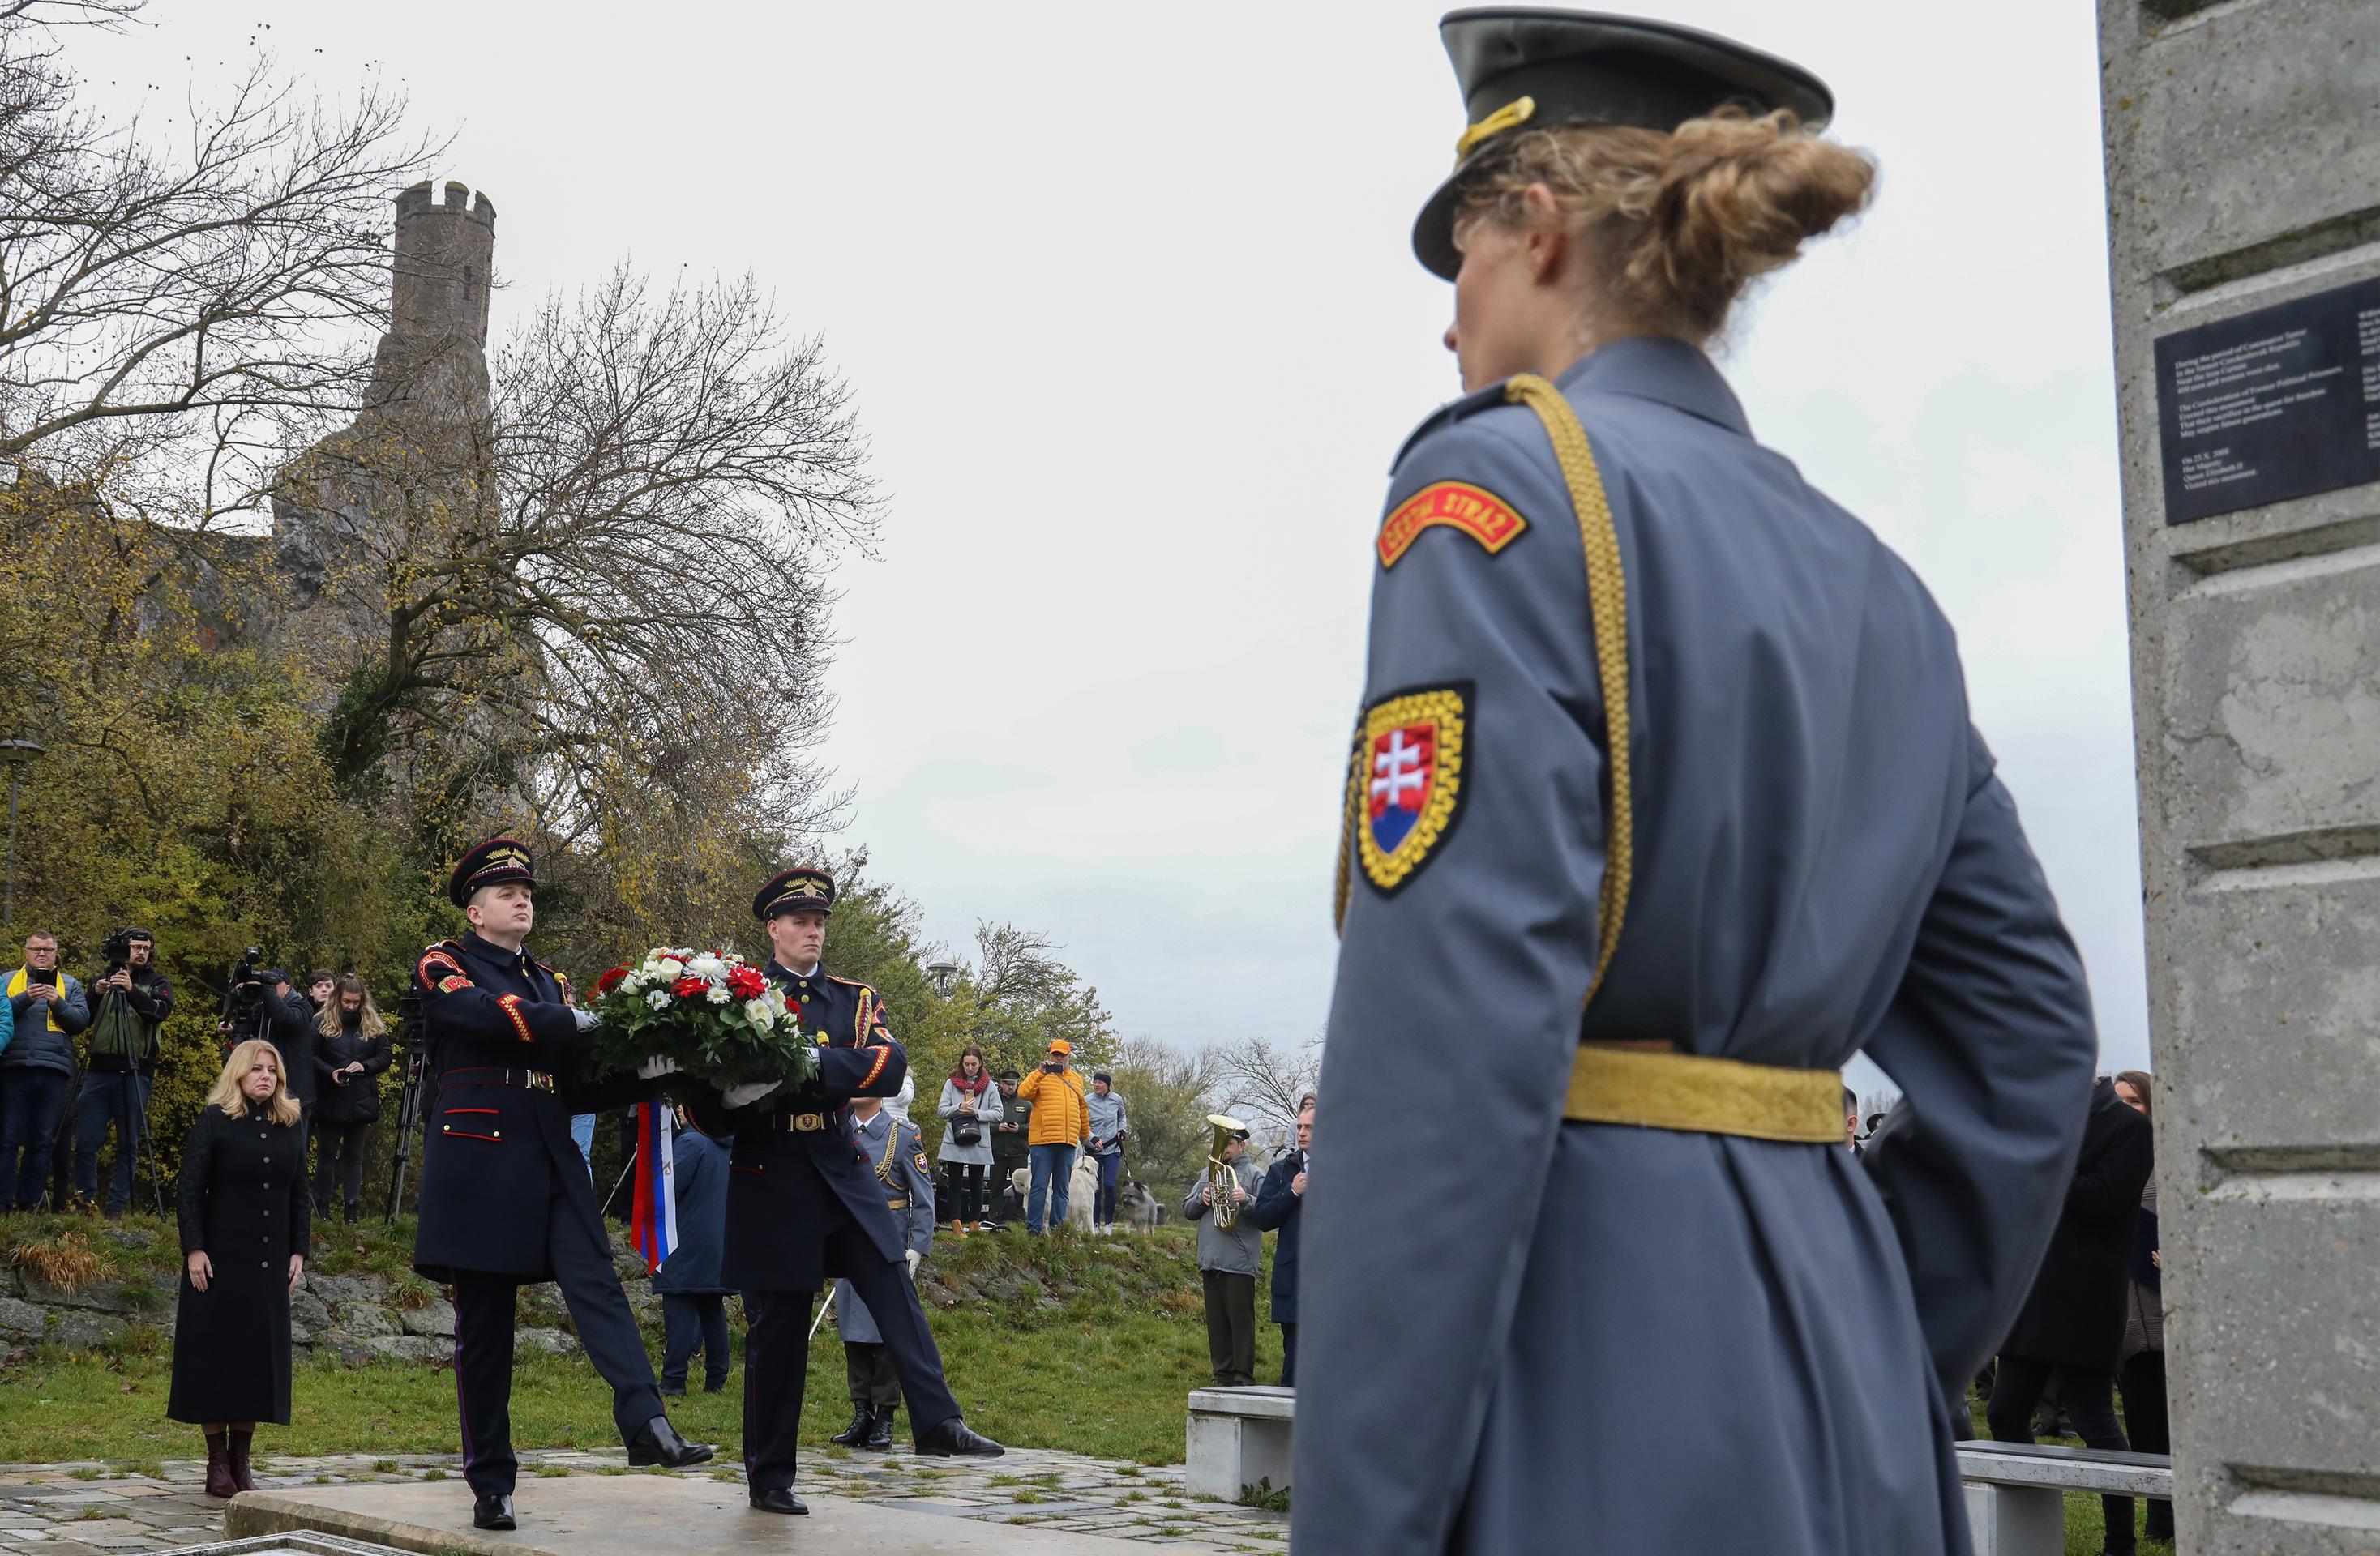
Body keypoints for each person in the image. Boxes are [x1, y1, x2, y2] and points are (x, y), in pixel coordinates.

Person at [1295, 13, 2103, 1554]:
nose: (1445, 320)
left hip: (1582, 1373)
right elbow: (2029, 1048)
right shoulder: (1883, 590)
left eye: (1455, 259)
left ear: (1532, 229)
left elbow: (1449, 1034)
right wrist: (1871, 1328)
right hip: (1846, 1397)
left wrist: (1363, 1516)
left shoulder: (1492, 489)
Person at [410, 836, 711, 1531]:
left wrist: (655, 1067)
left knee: (598, 1284)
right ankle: (491, 1480)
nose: (522, 899)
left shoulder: (550, 980)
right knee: (485, 1328)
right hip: (481, 1157)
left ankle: (646, 1422)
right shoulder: (446, 962)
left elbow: (573, 1084)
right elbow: (471, 1015)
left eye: (527, 891)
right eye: (506, 892)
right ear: (476, 911)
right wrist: (574, 1023)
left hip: (549, 1152)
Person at [694, 866, 1000, 1516]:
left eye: (820, 922)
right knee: (777, 1330)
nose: (812, 932)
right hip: (770, 1168)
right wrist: (741, 1092)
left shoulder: (853, 999)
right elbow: (708, 1105)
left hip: (840, 1162)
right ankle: (770, 1476)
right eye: (799, 921)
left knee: (892, 1278)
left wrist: (800, 1063)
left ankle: (938, 1421)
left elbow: (889, 1066)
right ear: (773, 929)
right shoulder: (734, 996)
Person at [1987, 1075, 2157, 1552]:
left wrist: (2042, 1162)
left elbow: (2102, 1201)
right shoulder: (2040, 1124)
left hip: (2086, 1296)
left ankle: (2120, 1541)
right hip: (2033, 1289)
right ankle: (2026, 1530)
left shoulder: (2131, 1129)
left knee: (2094, 1418)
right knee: (2005, 1413)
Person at [168, 1039, 310, 1498]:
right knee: (215, 1359)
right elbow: (189, 1190)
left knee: (254, 1360)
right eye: (257, 1070)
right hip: (217, 1261)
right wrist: (194, 1249)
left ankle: (242, 1459)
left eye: (273, 1070)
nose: (266, 1076)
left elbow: (298, 1194)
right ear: (239, 1074)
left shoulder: (291, 1124)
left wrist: (298, 1252)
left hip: (268, 1262)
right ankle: (216, 1461)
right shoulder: (214, 1121)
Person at [828, 1088, 936, 1450]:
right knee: (853, 1329)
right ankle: (861, 1412)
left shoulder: (901, 1137)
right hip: (848, 1240)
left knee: (887, 1331)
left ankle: (886, 1414)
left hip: (888, 1243)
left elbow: (922, 1198)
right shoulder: (838, 1132)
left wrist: (917, 1246)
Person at [73, 930, 174, 1219]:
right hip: (99, 1070)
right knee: (85, 1142)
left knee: (128, 1143)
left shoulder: (158, 982)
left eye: (146, 948)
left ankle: (115, 1209)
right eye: (135, 947)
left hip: (136, 1070)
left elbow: (159, 1013)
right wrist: (94, 993)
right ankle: (84, 1203)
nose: (141, 952)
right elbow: (81, 1020)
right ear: (122, 949)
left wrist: (130, 991)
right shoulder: (101, 981)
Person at [2112, 1070, 2171, 1543]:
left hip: (2169, 1312)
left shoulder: (2171, 1156)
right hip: (2125, 1318)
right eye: (2118, 1102)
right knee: (2141, 1418)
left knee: (2177, 1419)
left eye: (2133, 1101)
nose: (2125, 1110)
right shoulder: (2108, 1158)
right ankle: (2158, 1514)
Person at [2, 931, 88, 1211]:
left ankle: (29, 1204)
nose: (42, 954)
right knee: (8, 1137)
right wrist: (24, 998)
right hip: (14, 1067)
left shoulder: (70, 984)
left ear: (56, 953)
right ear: (25, 952)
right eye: (36, 949)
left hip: (54, 1069)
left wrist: (57, 1002)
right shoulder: (6, 981)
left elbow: (81, 1022)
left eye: (48, 950)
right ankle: (2, 1203)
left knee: (43, 1139)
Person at [653, 1101, 733, 1397]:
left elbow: (668, 1188)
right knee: (712, 1309)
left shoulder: (691, 1142)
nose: (684, 1108)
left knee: (679, 1308)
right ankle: (716, 1378)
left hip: (685, 1238)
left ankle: (674, 1380)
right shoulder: (726, 1144)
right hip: (718, 1239)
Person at [310, 974, 392, 1225]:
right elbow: (310, 1056)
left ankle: (351, 1210)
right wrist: (330, 1072)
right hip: (329, 1096)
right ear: (338, 999)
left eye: (356, 1002)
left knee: (354, 1156)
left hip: (361, 1097)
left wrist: (364, 1066)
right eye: (347, 1001)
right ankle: (322, 1208)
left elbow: (385, 1056)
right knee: (326, 1154)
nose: (351, 1006)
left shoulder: (372, 1023)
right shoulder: (321, 1022)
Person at [1184, 1122, 1261, 1387]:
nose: (1224, 1149)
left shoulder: (1253, 1175)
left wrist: (1247, 1200)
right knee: (1216, 1324)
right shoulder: (1207, 1174)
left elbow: (1268, 1213)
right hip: (1211, 1259)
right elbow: (1187, 1209)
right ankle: (1222, 1374)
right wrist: (1200, 1199)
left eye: (1229, 1143)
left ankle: (1242, 1376)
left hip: (1239, 1261)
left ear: (1242, 1146)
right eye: (1222, 1143)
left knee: (1240, 1324)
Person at [1246, 1100, 1312, 1386]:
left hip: (1333, 1281)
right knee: (1294, 1367)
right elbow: (1263, 1218)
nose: (1302, 1133)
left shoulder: (1345, 1169)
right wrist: (1292, 1193)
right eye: (1299, 1126)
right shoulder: (1282, 1170)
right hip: (1293, 1279)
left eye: (1310, 1127)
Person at [1016, 1039, 1089, 1235]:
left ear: (1068, 1056)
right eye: (1055, 1054)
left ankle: (1058, 1231)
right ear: (1049, 1055)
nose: (1058, 1057)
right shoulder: (1040, 1076)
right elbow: (1023, 1092)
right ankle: (1034, 1229)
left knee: (1062, 1189)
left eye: (1062, 1054)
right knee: (1039, 1186)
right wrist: (1039, 1072)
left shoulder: (1076, 1079)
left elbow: (1082, 1107)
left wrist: (1085, 1134)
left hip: (1067, 1141)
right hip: (1043, 1141)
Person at [935, 1045, 1001, 1235]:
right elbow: (941, 1110)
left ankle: (974, 1223)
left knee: (976, 1184)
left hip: (978, 1140)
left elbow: (998, 1113)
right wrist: (959, 1108)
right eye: (966, 1064)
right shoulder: (951, 1083)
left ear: (980, 1064)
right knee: (954, 1183)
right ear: (961, 1063)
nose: (970, 1068)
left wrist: (977, 1113)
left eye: (973, 1064)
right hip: (955, 1139)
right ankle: (955, 1223)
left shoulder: (989, 1086)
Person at [1085, 1070, 1128, 1234]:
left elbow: (1122, 1117)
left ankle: (1109, 1224)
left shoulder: (1116, 1099)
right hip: (1093, 1150)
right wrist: (1092, 1138)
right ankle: (1095, 1224)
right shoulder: (1087, 1100)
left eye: (1100, 1082)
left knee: (1109, 1185)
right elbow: (1083, 1123)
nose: (1097, 1085)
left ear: (1107, 1085)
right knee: (1095, 1188)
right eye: (1095, 1081)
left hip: (1112, 1149)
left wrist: (1122, 1130)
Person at [987, 1067, 1030, 1225]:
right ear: (1001, 1083)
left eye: (1013, 1084)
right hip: (997, 1152)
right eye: (1007, 1084)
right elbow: (983, 1124)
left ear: (1017, 1084)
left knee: (1021, 1189)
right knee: (995, 1188)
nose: (1010, 1087)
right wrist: (997, 1128)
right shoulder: (993, 1101)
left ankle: (1020, 1221)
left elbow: (1034, 1126)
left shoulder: (1025, 1102)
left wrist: (1020, 1129)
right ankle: (994, 1221)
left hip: (1019, 1152)